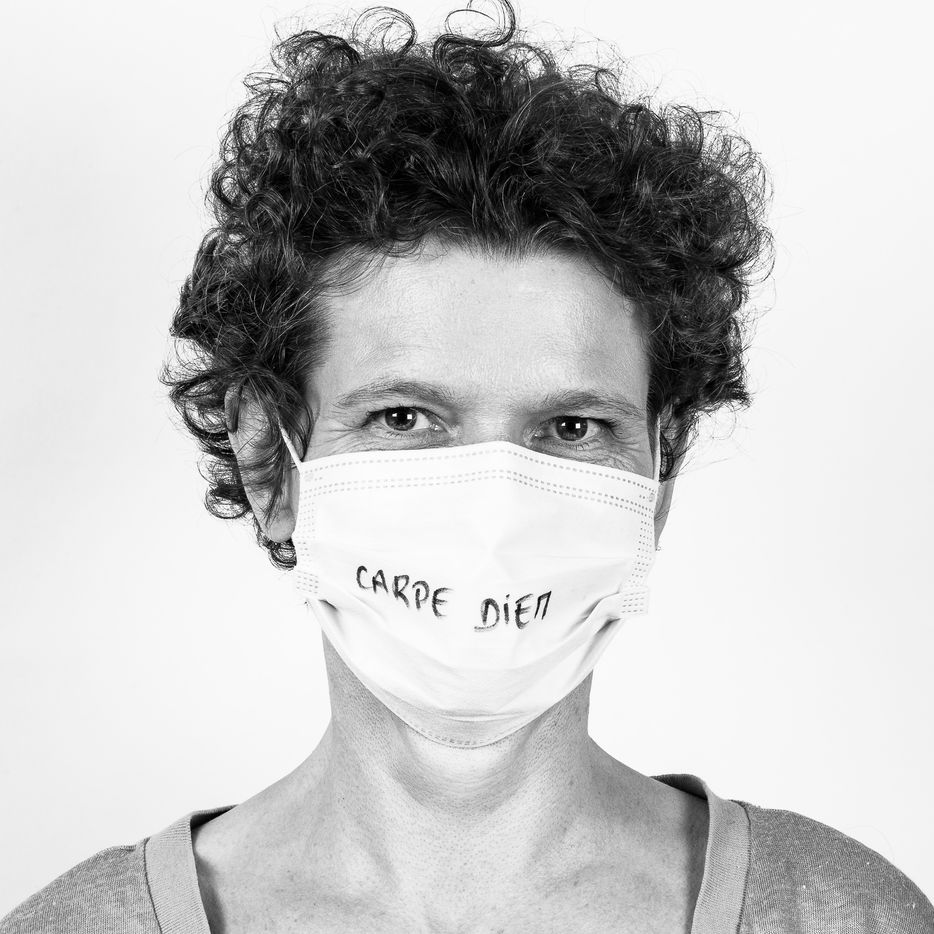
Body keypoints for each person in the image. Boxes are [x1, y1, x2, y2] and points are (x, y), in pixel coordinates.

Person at [2, 2, 932, 932]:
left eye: (570, 427)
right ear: (267, 462)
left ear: (659, 477)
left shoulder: (843, 915)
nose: (495, 510)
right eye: (404, 418)